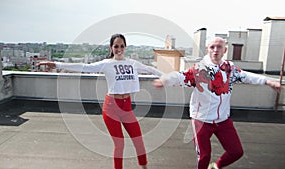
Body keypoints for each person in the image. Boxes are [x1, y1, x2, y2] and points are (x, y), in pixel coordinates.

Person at [37, 34, 163, 169]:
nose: (119, 49)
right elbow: (84, 67)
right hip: (111, 108)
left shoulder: (132, 64)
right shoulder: (106, 64)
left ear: (125, 47)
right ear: (111, 48)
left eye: (121, 46)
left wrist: (168, 78)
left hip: (126, 107)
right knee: (119, 145)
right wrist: (56, 64)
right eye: (116, 46)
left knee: (138, 140)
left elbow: (150, 69)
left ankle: (144, 166)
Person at [153, 37, 282, 169]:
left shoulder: (229, 68)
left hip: (222, 120)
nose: (215, 50)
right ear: (207, 50)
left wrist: (268, 81)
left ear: (225, 50)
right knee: (204, 156)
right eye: (212, 47)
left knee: (236, 152)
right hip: (201, 120)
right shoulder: (199, 69)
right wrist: (165, 79)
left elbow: (247, 76)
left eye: (219, 47)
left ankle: (215, 166)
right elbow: (180, 76)